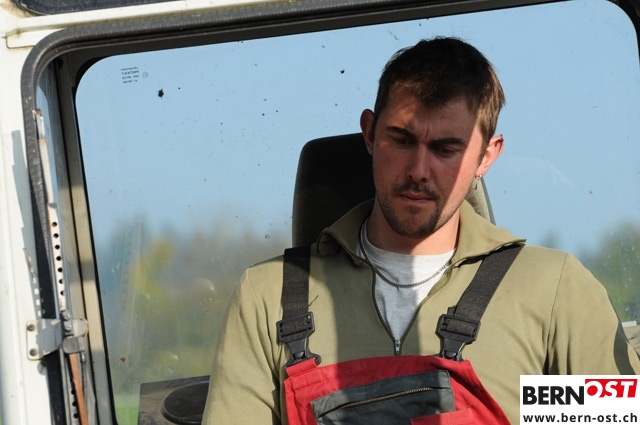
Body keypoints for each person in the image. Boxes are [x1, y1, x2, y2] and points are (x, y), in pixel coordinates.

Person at [202, 37, 640, 424]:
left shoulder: (552, 292)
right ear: (369, 134)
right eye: (402, 139)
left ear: (487, 157)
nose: (418, 170)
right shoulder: (271, 298)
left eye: (446, 149)